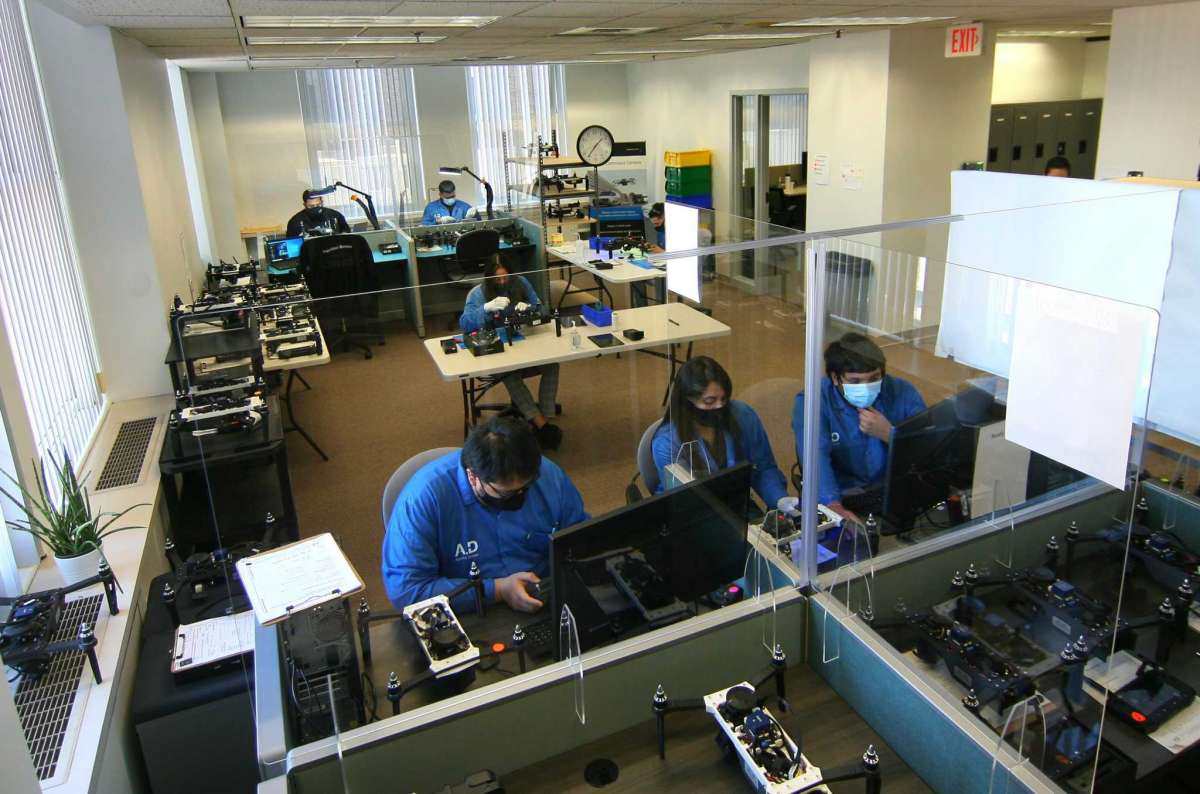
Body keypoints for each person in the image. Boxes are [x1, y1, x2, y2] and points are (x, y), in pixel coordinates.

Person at [382, 416, 588, 614]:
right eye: (506, 493)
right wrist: (497, 590)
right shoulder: (424, 498)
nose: (520, 497)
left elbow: (580, 537)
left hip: (543, 596)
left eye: (525, 488)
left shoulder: (547, 475)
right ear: (473, 477)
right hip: (469, 611)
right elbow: (407, 591)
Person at [791, 333, 926, 521]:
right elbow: (816, 457)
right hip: (842, 496)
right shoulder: (812, 400)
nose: (866, 386)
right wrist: (833, 506)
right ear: (835, 378)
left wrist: (890, 434)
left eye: (874, 378)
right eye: (855, 381)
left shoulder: (902, 391)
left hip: (892, 492)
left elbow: (927, 449)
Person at [651, 356, 789, 512]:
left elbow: (764, 468)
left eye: (724, 399)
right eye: (710, 401)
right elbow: (687, 502)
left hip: (737, 505)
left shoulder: (742, 415)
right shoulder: (666, 443)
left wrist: (779, 498)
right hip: (693, 514)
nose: (720, 406)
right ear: (687, 401)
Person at [460, 261, 563, 450]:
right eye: (497, 278)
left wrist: (532, 308)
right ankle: (541, 424)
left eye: (505, 276)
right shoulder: (478, 294)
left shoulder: (521, 283)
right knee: (511, 373)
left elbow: (541, 309)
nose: (501, 281)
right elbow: (465, 324)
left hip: (525, 343)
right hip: (498, 350)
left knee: (552, 364)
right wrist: (485, 309)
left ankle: (545, 416)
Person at [286, 189, 350, 237]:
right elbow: (291, 245)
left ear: (322, 202)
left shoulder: (335, 215)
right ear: (304, 205)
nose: (315, 208)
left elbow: (347, 234)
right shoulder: (295, 222)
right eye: (311, 206)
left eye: (318, 205)